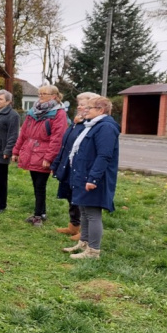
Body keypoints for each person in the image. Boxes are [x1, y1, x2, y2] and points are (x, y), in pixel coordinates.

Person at [62, 96, 120, 259]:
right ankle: (84, 242)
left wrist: (93, 178)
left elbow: (104, 155)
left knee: (93, 213)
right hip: (83, 175)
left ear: (101, 110)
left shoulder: (106, 127)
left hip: (94, 178)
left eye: (89, 108)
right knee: (84, 210)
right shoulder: (93, 125)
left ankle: (94, 251)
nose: (84, 110)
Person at [12, 85, 68, 226]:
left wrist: (49, 158)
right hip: (30, 152)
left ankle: (38, 215)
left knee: (40, 185)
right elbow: (23, 133)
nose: (40, 96)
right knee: (36, 184)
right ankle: (41, 212)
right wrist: (16, 151)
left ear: (54, 96)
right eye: (39, 93)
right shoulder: (33, 111)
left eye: (44, 94)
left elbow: (57, 139)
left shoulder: (58, 113)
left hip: (43, 154)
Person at [51, 92, 99, 238]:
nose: (79, 106)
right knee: (70, 195)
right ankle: (74, 225)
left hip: (81, 167)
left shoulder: (92, 125)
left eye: (83, 104)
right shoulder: (76, 123)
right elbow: (66, 144)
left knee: (80, 198)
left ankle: (84, 230)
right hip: (69, 164)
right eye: (79, 103)